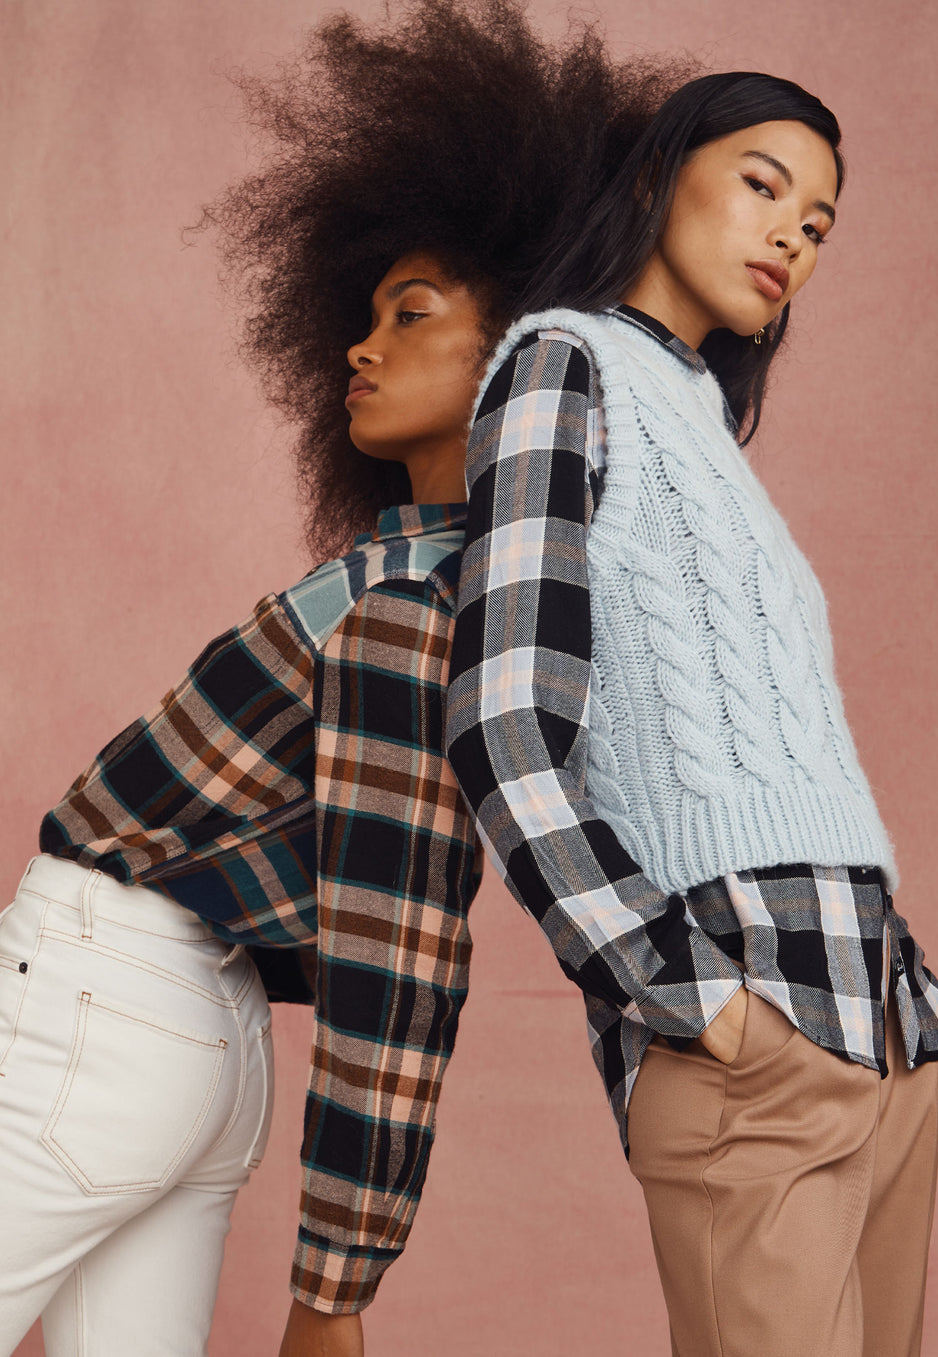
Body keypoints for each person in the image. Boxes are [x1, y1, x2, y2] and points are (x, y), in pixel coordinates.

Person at [0, 4, 679, 1354]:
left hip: (103, 1015)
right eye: (361, 314)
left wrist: (332, 1291)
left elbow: (396, 947)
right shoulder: (432, 579)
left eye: (410, 311)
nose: (360, 347)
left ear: (525, 356)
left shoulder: (415, 610)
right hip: (198, 1039)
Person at [446, 70, 938, 1357]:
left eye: (822, 224)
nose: (795, 235)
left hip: (878, 1018)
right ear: (660, 176)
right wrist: (678, 990)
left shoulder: (704, 421)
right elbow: (503, 726)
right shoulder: (562, 363)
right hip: (751, 1018)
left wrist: (907, 989)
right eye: (764, 187)